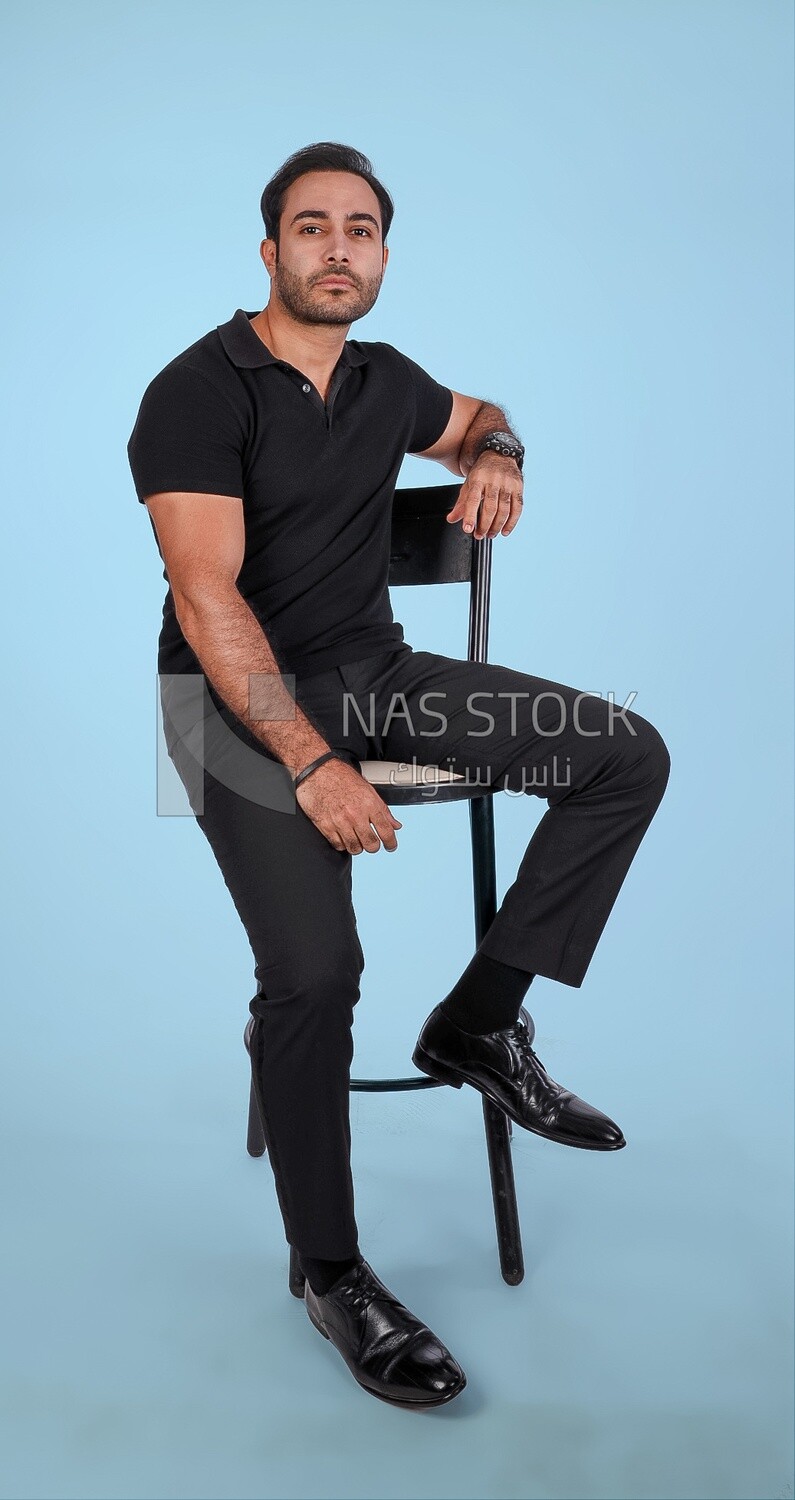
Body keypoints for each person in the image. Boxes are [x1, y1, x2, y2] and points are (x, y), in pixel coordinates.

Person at [127, 141, 671, 1410]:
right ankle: (330, 1271)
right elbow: (205, 599)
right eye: (310, 228)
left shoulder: (385, 380)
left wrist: (501, 456)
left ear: (381, 256)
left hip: (378, 670)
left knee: (622, 752)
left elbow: (480, 419)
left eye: (360, 229)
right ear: (270, 253)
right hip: (229, 709)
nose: (336, 248)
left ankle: (478, 1023)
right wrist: (314, 764)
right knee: (315, 974)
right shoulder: (197, 391)